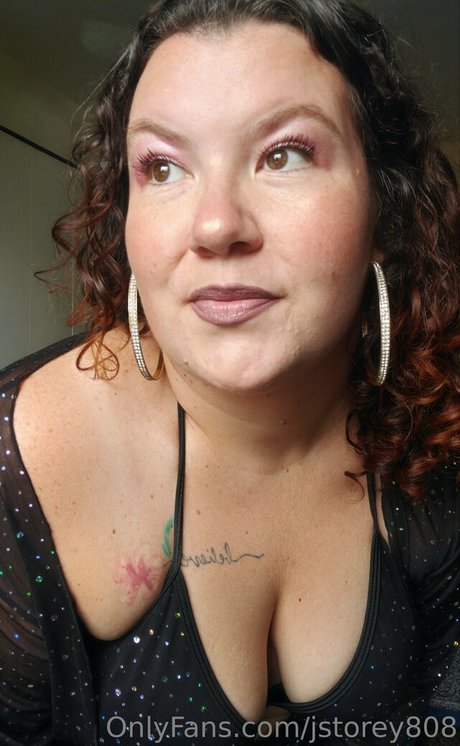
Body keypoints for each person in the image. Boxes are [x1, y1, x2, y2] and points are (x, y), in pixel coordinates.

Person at [0, 0, 458, 743]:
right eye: (163, 167)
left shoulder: (429, 429)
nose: (215, 226)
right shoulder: (23, 462)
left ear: (386, 205)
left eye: (284, 154)